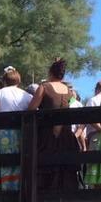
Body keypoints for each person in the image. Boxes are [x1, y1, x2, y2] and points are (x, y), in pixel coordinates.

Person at [28, 58, 80, 192]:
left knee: (45, 167)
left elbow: (31, 109)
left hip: (48, 134)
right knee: (65, 169)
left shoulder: (44, 87)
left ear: (51, 72)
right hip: (66, 135)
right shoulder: (69, 91)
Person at [0, 66, 31, 192]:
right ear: (18, 81)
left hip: (1, 133)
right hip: (19, 134)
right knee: (15, 163)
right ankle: (14, 190)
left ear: (4, 81)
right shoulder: (27, 96)